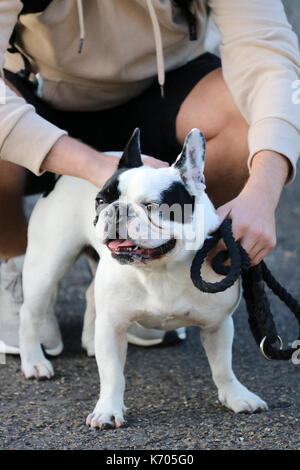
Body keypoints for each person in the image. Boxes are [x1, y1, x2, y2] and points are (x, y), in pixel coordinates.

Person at [0, 0, 299, 354]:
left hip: (165, 84)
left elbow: (270, 59)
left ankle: (165, 268)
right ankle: (16, 263)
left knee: (245, 122)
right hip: (35, 87)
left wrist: (263, 191)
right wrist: (99, 167)